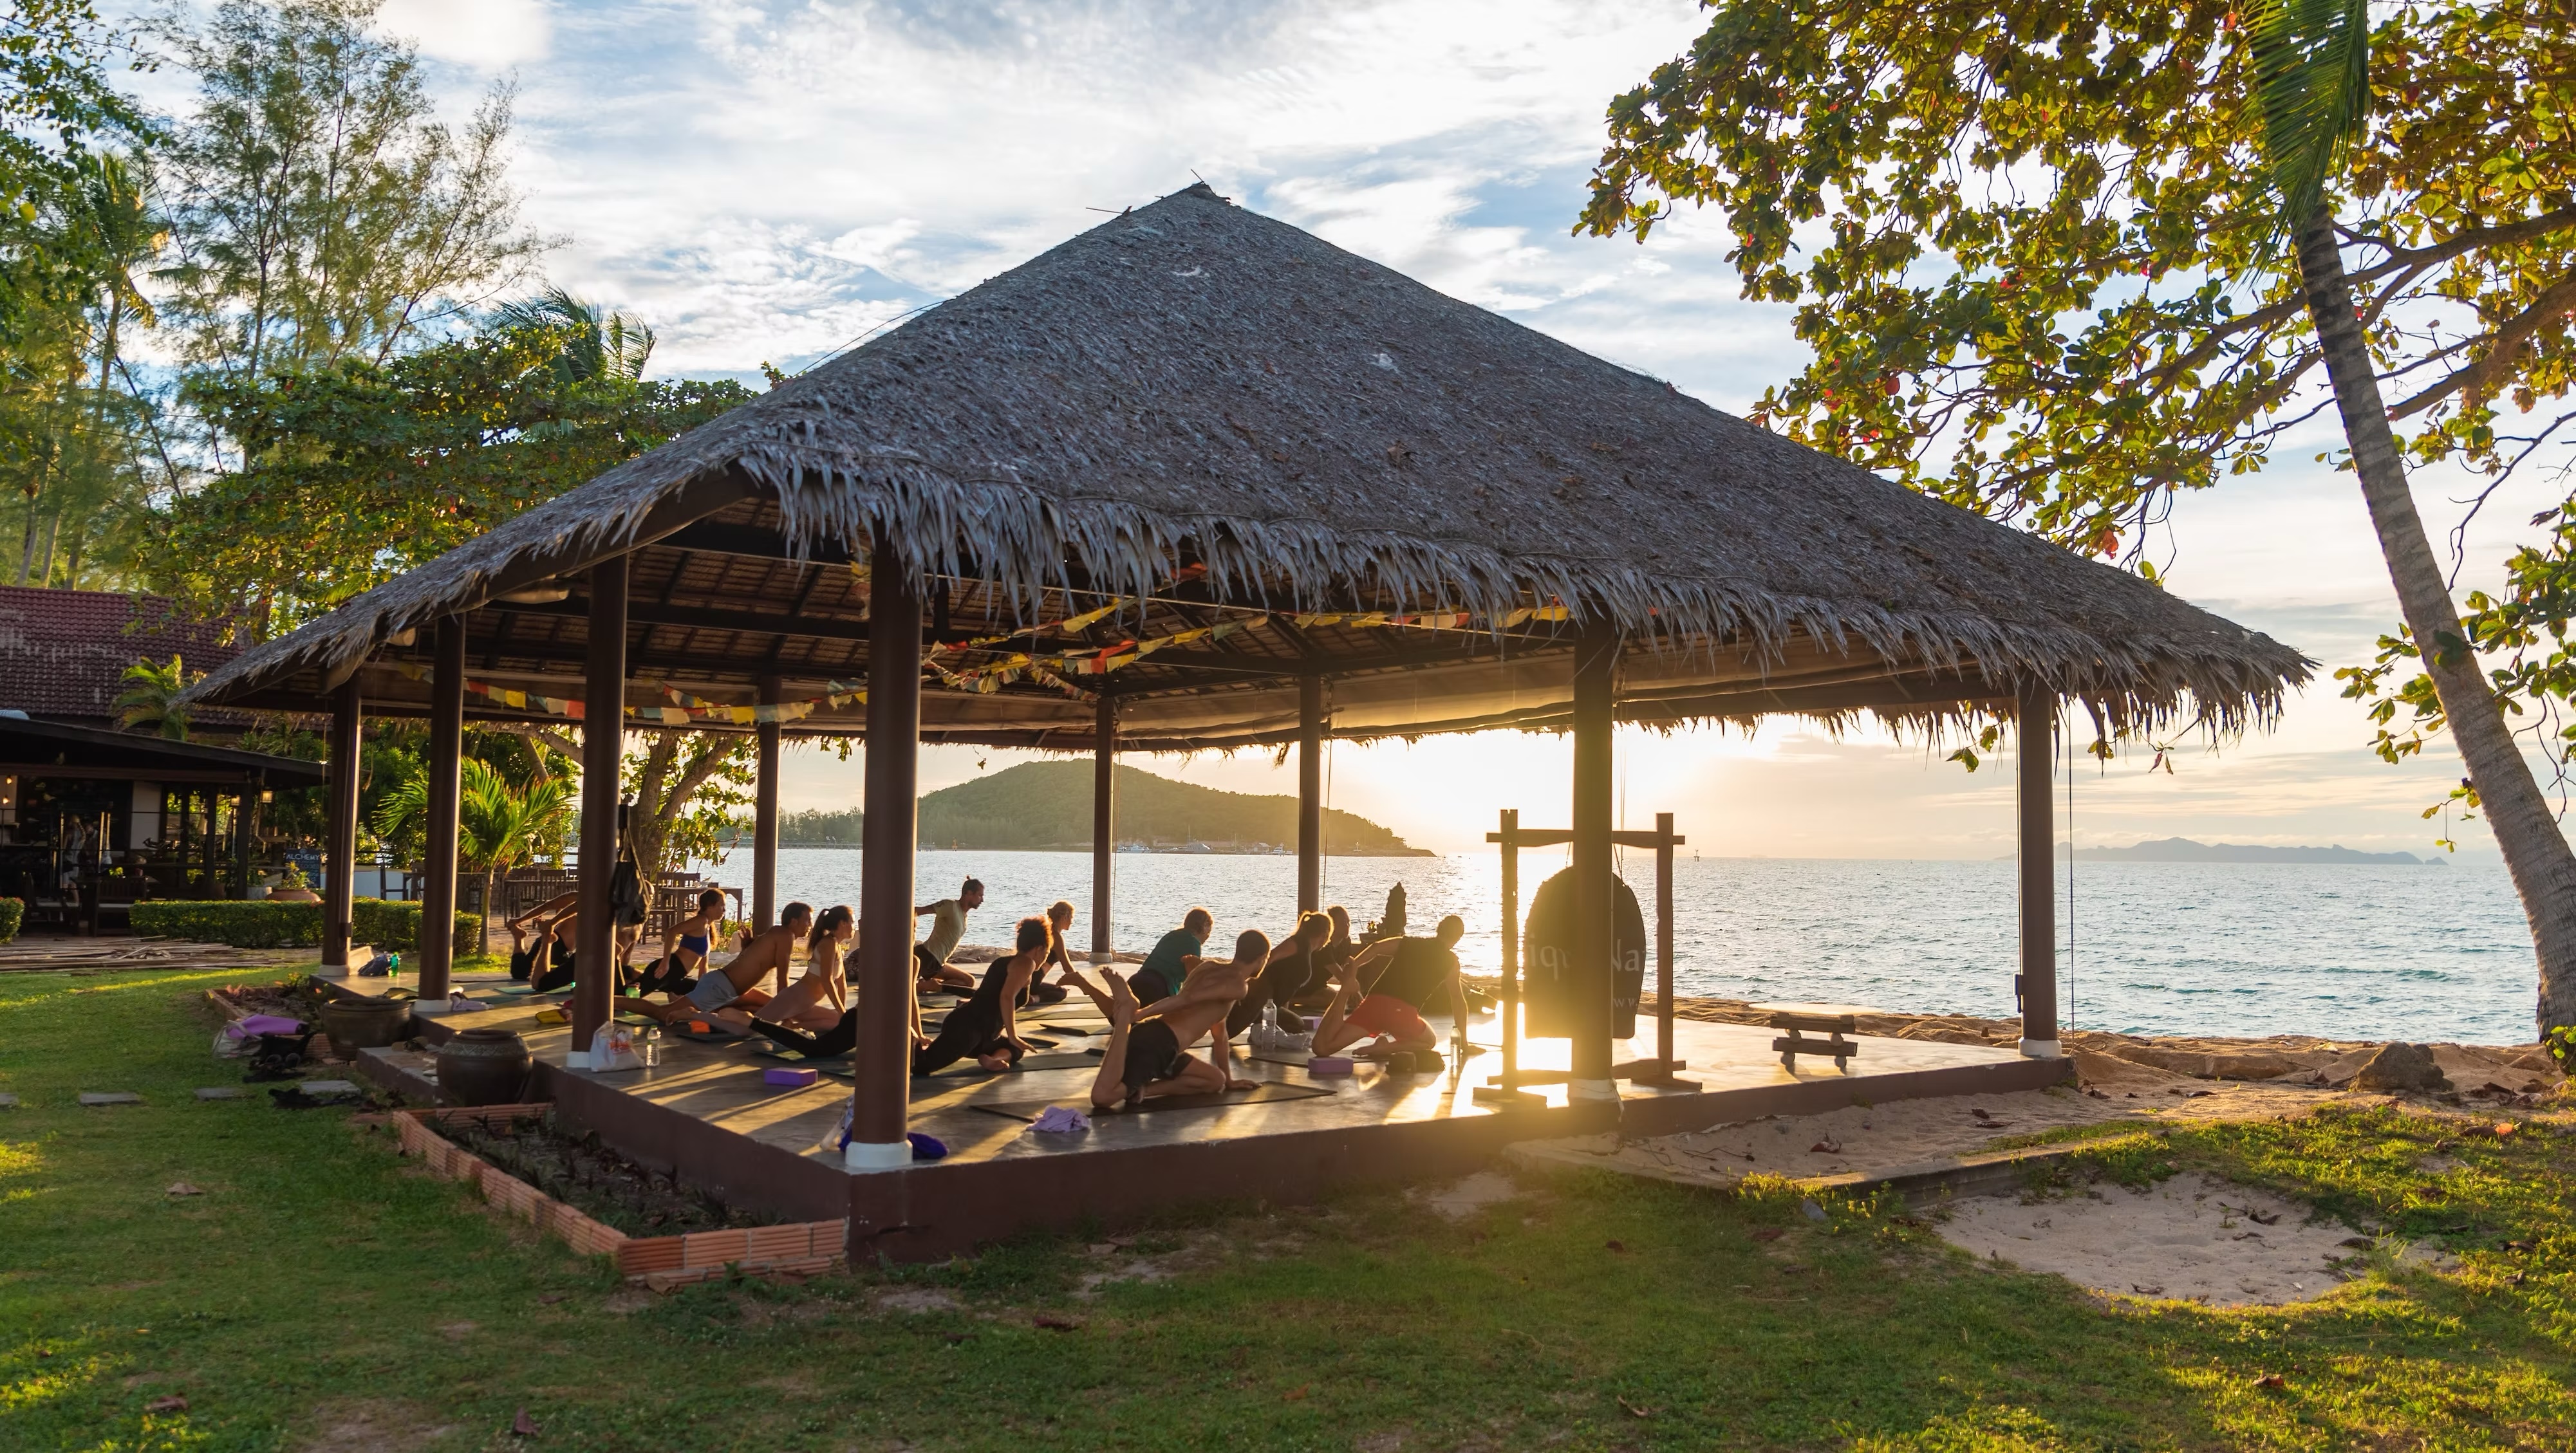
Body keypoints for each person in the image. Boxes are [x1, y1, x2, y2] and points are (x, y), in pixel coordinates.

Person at [1065, 929, 1267, 1111]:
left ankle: (1143, 1089)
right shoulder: (1239, 986)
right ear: (1261, 958)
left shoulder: (1208, 968)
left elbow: (1220, 1036)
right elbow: (1184, 999)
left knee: (1215, 1080)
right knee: (1103, 1097)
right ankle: (1125, 1017)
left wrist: (1229, 1081)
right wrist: (1138, 1014)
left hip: (1162, 1043)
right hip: (1160, 1044)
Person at [1312, 913, 1468, 1064]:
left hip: (1373, 1005)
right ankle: (1387, 1047)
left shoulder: (1408, 942)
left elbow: (1376, 948)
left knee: (1323, 1048)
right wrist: (1465, 1044)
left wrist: (1353, 967)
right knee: (1429, 1040)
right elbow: (1458, 1000)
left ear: (1439, 929)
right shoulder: (1451, 962)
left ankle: (1344, 993)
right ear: (1458, 938)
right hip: (1402, 1015)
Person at [629, 902, 810, 1027]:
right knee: (661, 1013)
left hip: (726, 987)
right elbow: (782, 978)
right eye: (807, 920)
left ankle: (686, 1009)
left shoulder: (776, 932)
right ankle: (614, 1002)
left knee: (757, 1009)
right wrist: (785, 1013)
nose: (810, 925)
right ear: (793, 921)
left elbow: (754, 958)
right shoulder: (786, 935)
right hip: (721, 986)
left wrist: (748, 944)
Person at [911, 916, 1051, 1075]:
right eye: (1047, 952)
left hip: (984, 1035)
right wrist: (1012, 1035)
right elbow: (1006, 997)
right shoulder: (1027, 963)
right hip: (968, 1029)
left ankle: (995, 1060)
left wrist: (1013, 1039)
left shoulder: (1008, 963)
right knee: (920, 1067)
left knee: (1016, 1049)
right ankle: (907, 1038)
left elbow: (985, 995)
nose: (1045, 957)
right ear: (1039, 949)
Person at [1227, 910, 1333, 1037]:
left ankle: (1259, 1029)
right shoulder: (1298, 942)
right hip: (1261, 994)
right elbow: (1269, 957)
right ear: (1325, 933)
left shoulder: (1308, 950)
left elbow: (1289, 987)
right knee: (1228, 1032)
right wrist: (1247, 981)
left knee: (1296, 1024)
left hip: (1273, 1004)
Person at [633, 889, 727, 997]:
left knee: (701, 994)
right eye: (722, 906)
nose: (724, 910)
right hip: (668, 969)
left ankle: (674, 998)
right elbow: (671, 932)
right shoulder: (701, 921)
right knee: (629, 995)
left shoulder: (707, 927)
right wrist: (665, 962)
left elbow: (703, 967)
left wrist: (702, 988)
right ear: (711, 906)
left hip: (677, 976)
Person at [911, 878, 984, 992]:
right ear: (969, 893)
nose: (982, 900)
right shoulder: (950, 906)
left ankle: (927, 985)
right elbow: (917, 911)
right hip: (927, 956)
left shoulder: (963, 915)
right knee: (966, 982)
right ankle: (919, 987)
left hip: (938, 962)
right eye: (980, 896)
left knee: (968, 981)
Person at [1131, 907, 1211, 1004]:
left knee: (1125, 1016)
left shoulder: (1171, 935)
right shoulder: (1193, 943)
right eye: (1209, 932)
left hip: (1136, 979)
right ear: (1205, 926)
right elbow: (1193, 981)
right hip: (1157, 987)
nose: (1207, 937)